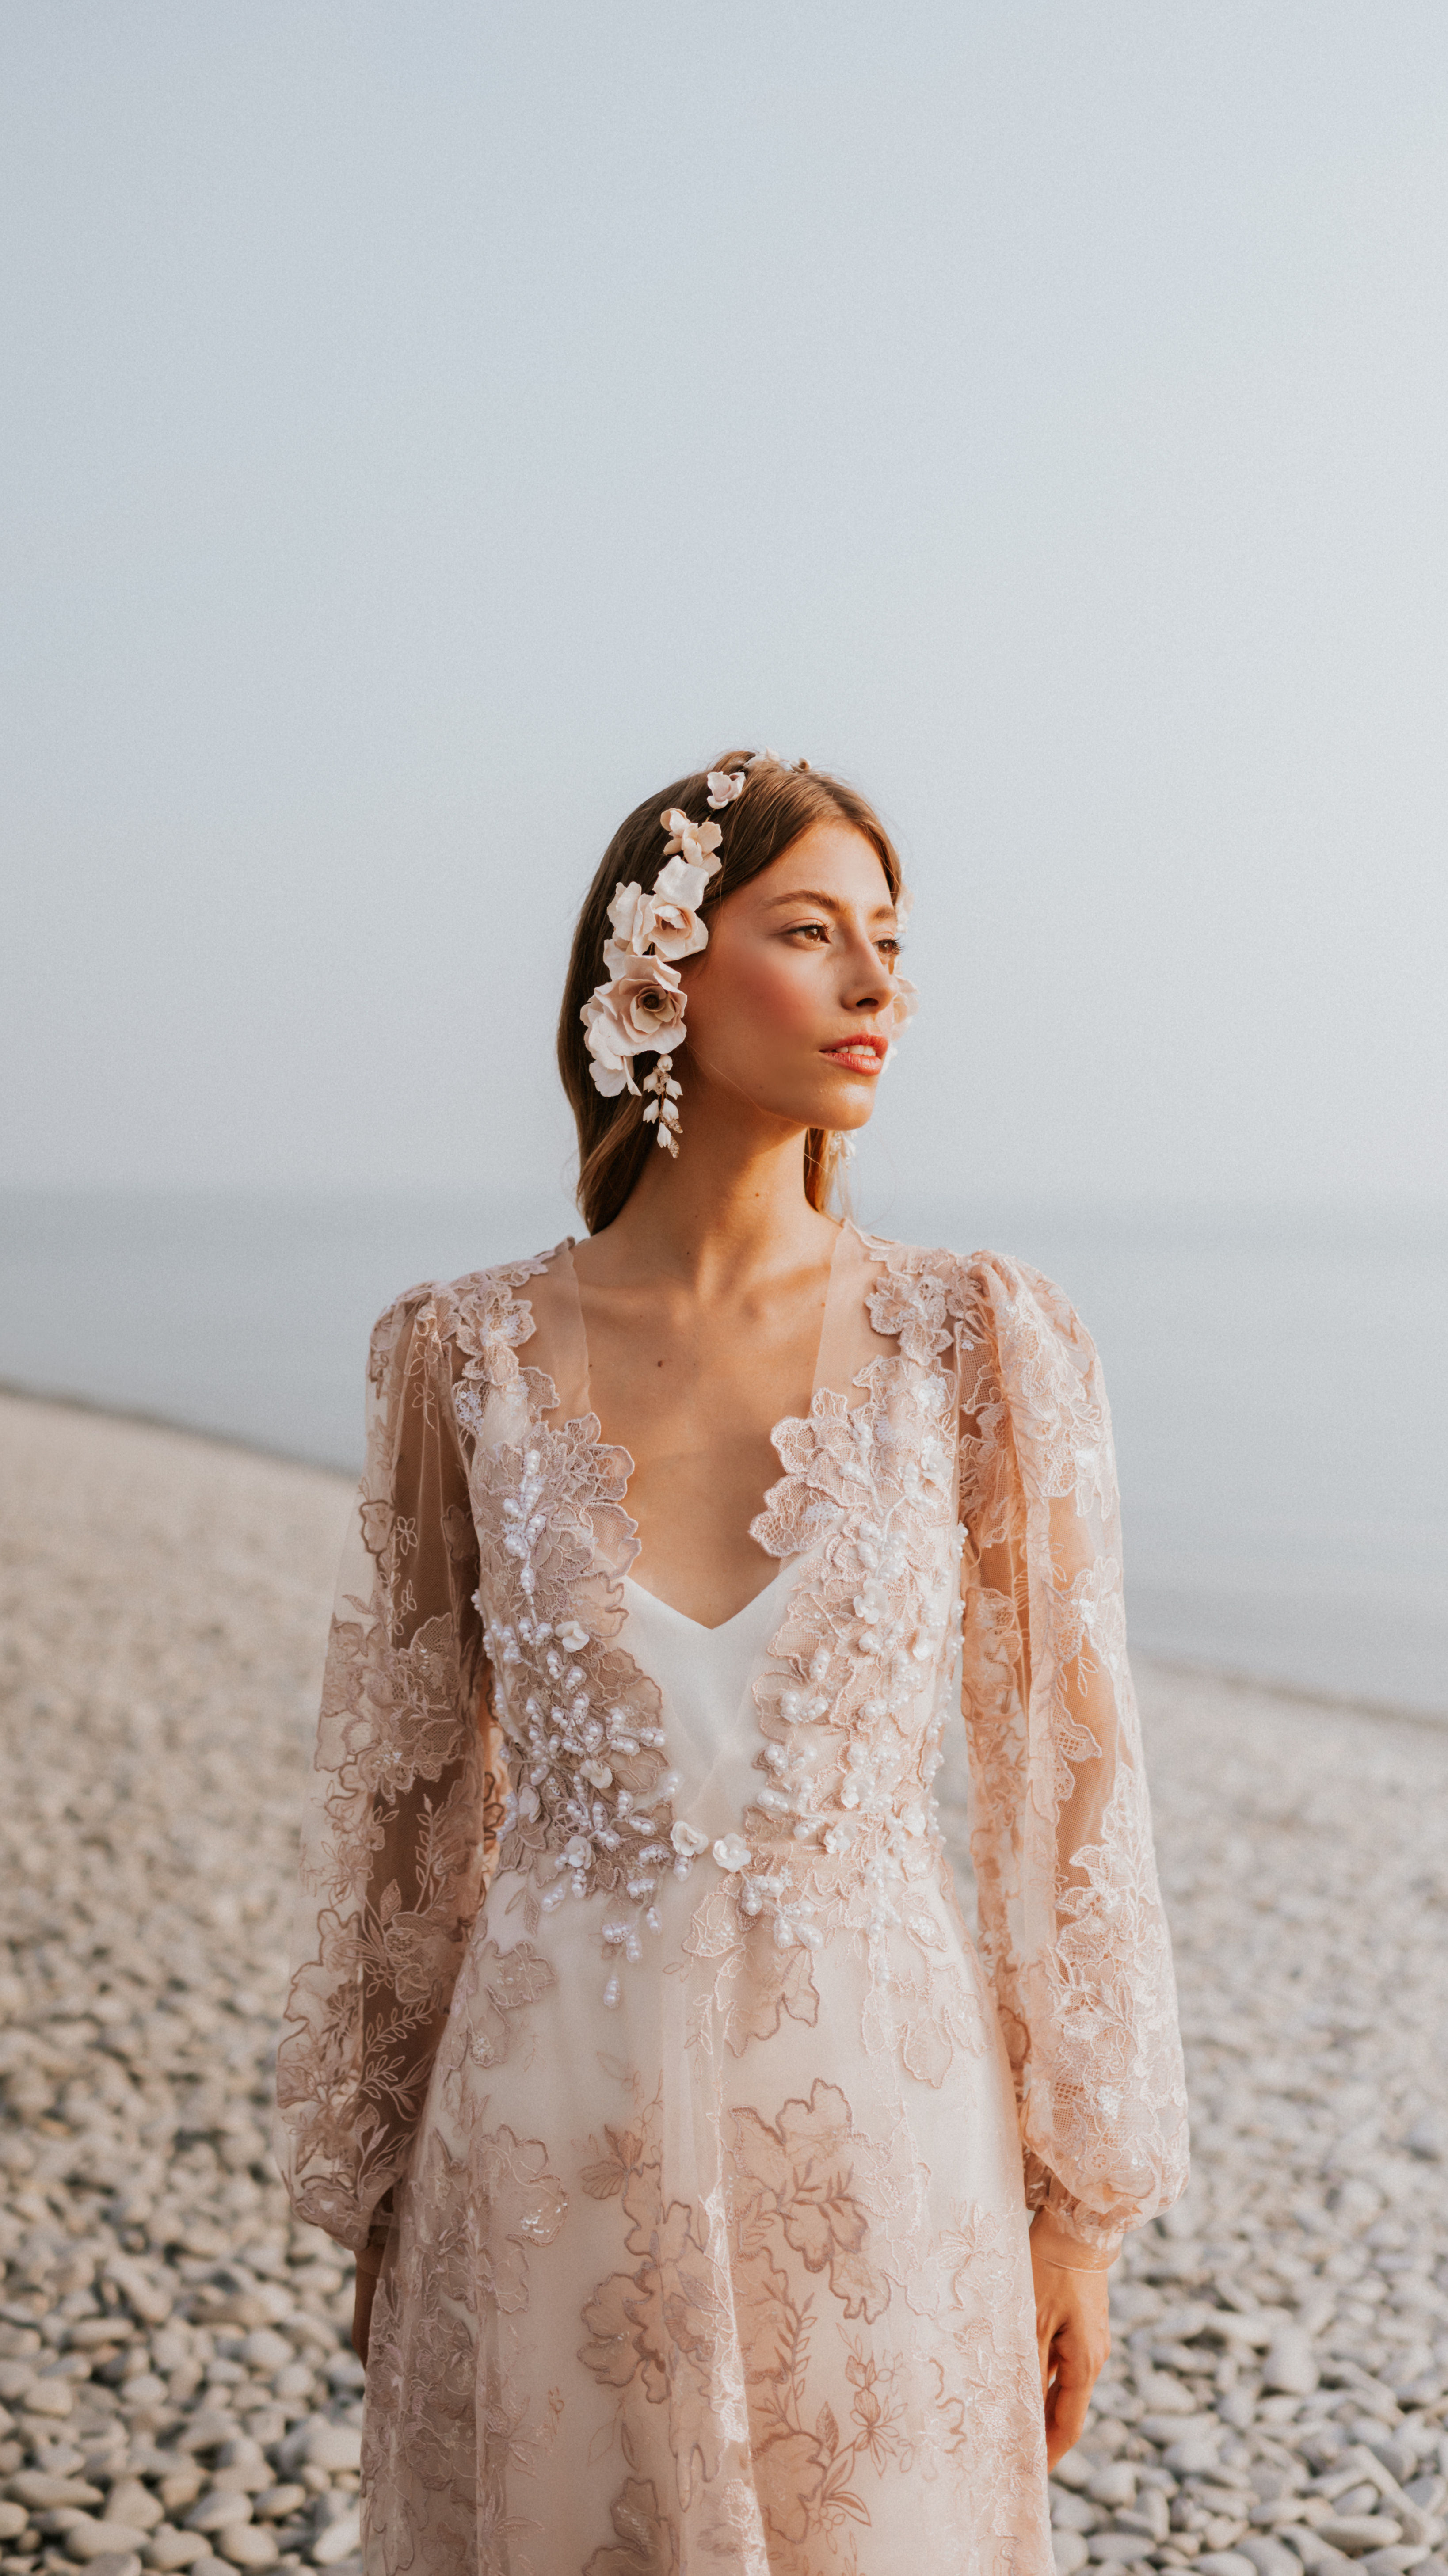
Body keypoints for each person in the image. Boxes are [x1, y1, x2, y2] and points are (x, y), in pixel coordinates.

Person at [275, 751, 1188, 2576]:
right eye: (812, 932)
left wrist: (1076, 2207)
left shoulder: (976, 1342)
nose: (879, 987)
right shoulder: (459, 1359)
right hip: (541, 2129)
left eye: (892, 943)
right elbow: (405, 1800)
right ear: (659, 967)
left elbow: (1066, 1779)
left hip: (879, 2124)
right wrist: (382, 2185)